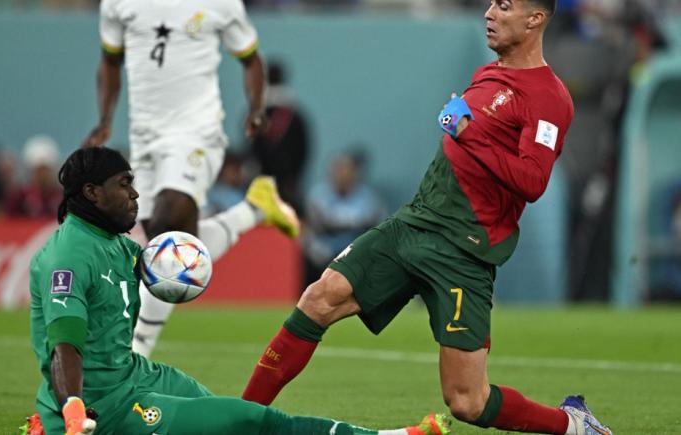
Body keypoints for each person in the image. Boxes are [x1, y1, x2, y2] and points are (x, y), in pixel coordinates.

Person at [241, 1, 613, 434]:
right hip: (414, 224)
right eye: (491, 3)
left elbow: (532, 180)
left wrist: (468, 131)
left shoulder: (549, 97)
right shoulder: (488, 73)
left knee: (467, 402)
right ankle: (238, 417)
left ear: (535, 18)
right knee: (320, 298)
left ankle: (572, 426)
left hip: (464, 250)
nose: (490, 13)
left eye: (505, 6)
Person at [23, 146, 450, 435]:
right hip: (107, 406)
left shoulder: (116, 243)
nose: (136, 194)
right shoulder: (70, 257)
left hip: (135, 376)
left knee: (230, 420)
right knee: (249, 420)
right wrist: (74, 409)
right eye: (124, 184)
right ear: (92, 193)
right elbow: (65, 347)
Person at [83, 0, 300, 357]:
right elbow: (109, 60)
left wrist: (257, 108)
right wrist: (105, 119)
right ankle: (254, 209)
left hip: (196, 130)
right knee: (164, 242)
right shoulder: (118, 4)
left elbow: (251, 59)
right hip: (145, 134)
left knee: (168, 224)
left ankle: (136, 353)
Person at [302, 149, 386, 285]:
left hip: (358, 253)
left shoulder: (369, 199)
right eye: (338, 169)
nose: (342, 174)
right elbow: (312, 229)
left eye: (347, 169)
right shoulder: (318, 197)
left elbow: (376, 229)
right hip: (326, 253)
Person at [249, 60, 310, 212]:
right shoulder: (296, 116)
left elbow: (251, 147)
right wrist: (294, 177)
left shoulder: (255, 114)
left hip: (261, 183)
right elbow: (303, 148)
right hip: (289, 183)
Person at [5, 135, 62, 219]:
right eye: (39, 170)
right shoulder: (19, 197)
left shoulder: (62, 197)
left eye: (45, 170)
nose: (43, 175)